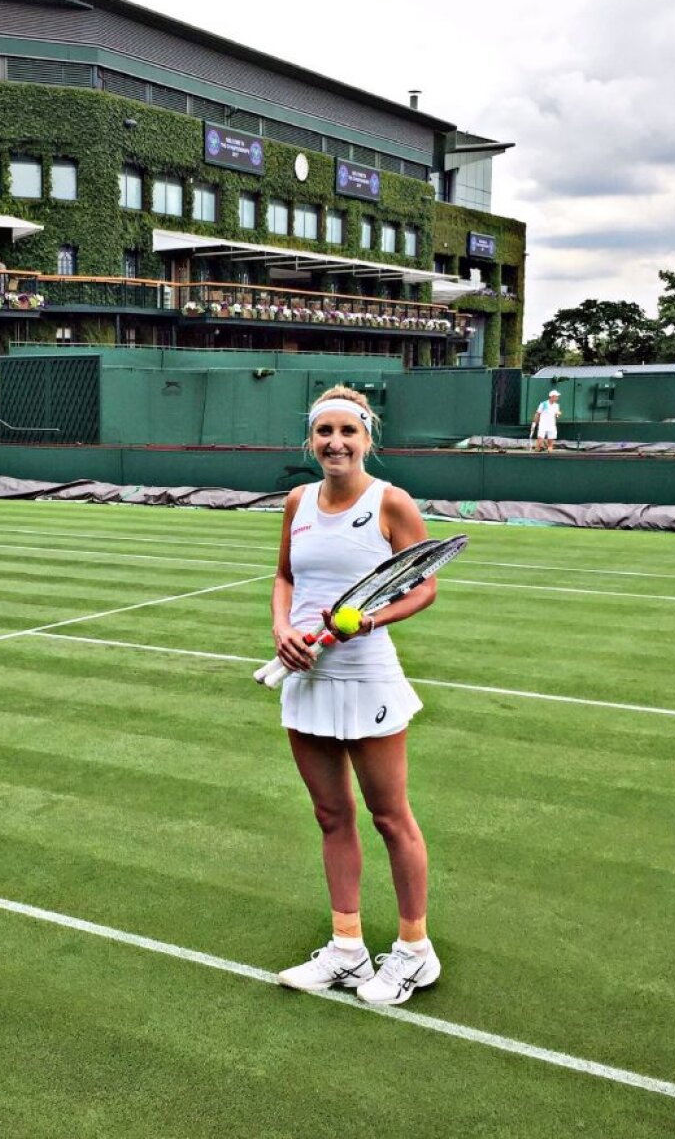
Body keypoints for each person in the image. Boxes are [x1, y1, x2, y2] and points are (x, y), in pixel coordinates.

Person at [271, 385, 441, 1006]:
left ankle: (415, 952)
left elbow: (424, 589)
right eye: (324, 432)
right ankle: (347, 948)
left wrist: (372, 619)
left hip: (368, 675)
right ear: (310, 440)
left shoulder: (390, 503)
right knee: (330, 815)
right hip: (307, 673)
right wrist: (282, 629)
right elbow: (286, 575)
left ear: (368, 438)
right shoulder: (297, 502)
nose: (335, 443)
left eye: (348, 431)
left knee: (390, 817)